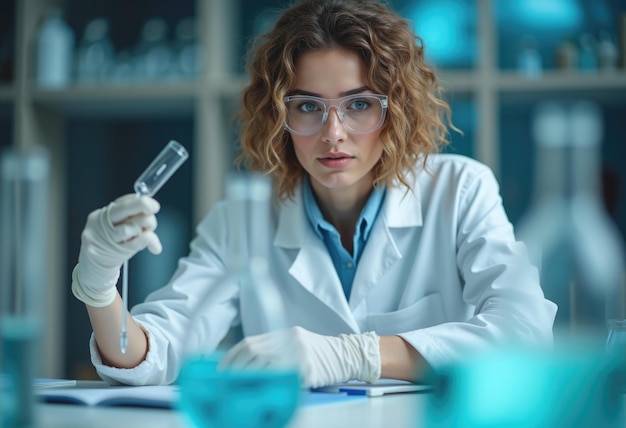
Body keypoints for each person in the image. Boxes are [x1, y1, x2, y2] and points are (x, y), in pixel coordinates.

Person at [71, 0, 556, 388]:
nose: (334, 133)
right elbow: (154, 353)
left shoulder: (460, 188)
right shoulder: (241, 220)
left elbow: (526, 334)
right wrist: (99, 286)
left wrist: (353, 354)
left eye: (360, 104)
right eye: (308, 106)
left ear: (398, 111)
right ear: (278, 116)